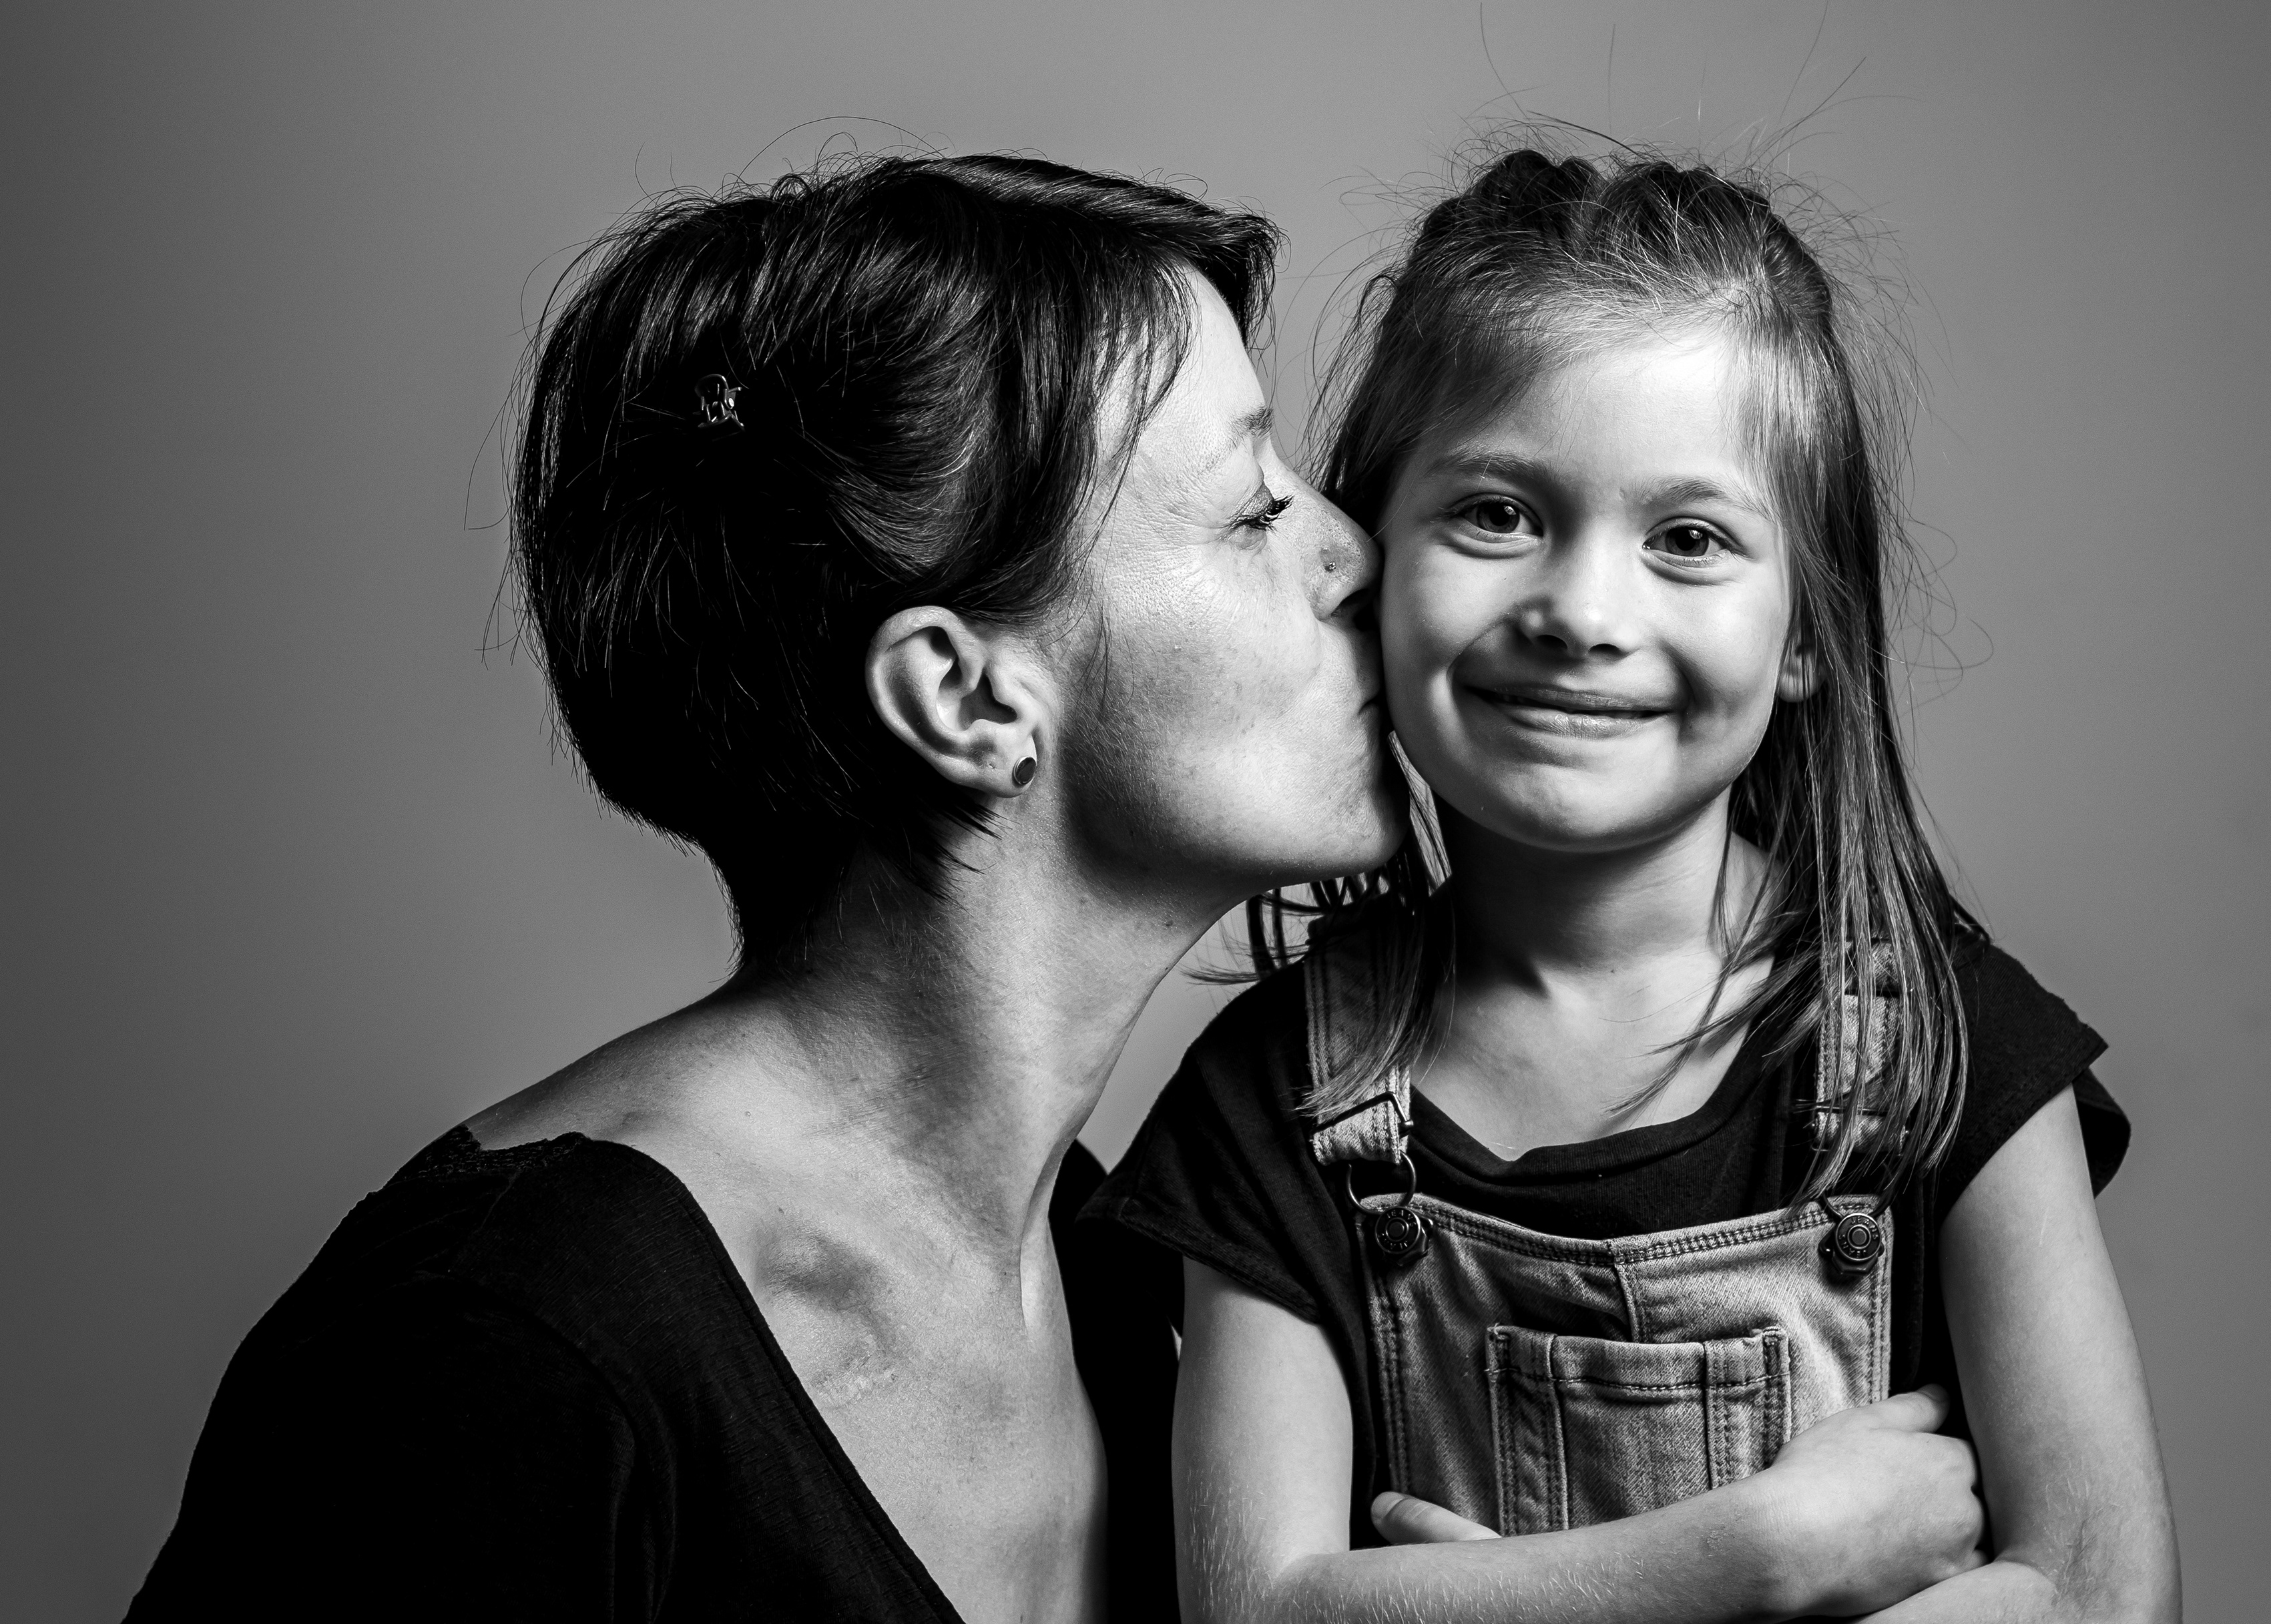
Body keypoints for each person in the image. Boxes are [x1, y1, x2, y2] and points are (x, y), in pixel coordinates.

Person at [125, 152, 1407, 1623]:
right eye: (1253, 509)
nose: (1355, 552)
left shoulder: (1124, 1283)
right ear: (964, 698)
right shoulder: (497, 1360)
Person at [1091, 148, 2182, 1621]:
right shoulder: (1273, 1098)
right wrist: (1757, 1556)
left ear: (1807, 634)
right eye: (1497, 513)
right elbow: (1260, 1610)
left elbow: (2106, 1597)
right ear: (1367, 555)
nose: (1583, 613)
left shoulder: (1945, 1047)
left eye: (1689, 539)